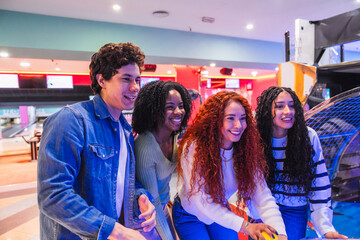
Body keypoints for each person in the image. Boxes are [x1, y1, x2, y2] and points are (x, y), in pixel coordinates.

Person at [37, 42, 157, 240]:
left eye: (137, 79)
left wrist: (141, 197)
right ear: (102, 80)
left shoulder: (125, 130)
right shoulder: (71, 120)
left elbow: (123, 180)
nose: (135, 87)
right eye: (126, 79)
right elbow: (53, 194)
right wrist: (115, 231)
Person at [172, 91, 287, 240]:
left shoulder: (245, 149)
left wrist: (280, 233)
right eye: (231, 118)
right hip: (190, 213)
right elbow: (201, 200)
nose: (239, 125)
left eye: (243, 118)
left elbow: (262, 195)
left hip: (219, 210)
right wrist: (246, 226)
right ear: (215, 120)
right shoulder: (194, 146)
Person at [255, 86, 348, 240]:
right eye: (279, 106)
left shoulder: (308, 137)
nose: (288, 111)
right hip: (261, 209)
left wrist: (326, 229)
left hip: (294, 210)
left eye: (292, 105)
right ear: (266, 111)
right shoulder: (255, 139)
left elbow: (319, 184)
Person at [132, 80, 192, 240]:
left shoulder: (173, 136)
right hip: (144, 219)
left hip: (163, 209)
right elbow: (153, 200)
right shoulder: (145, 146)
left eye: (181, 105)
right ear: (155, 111)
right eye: (170, 107)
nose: (178, 111)